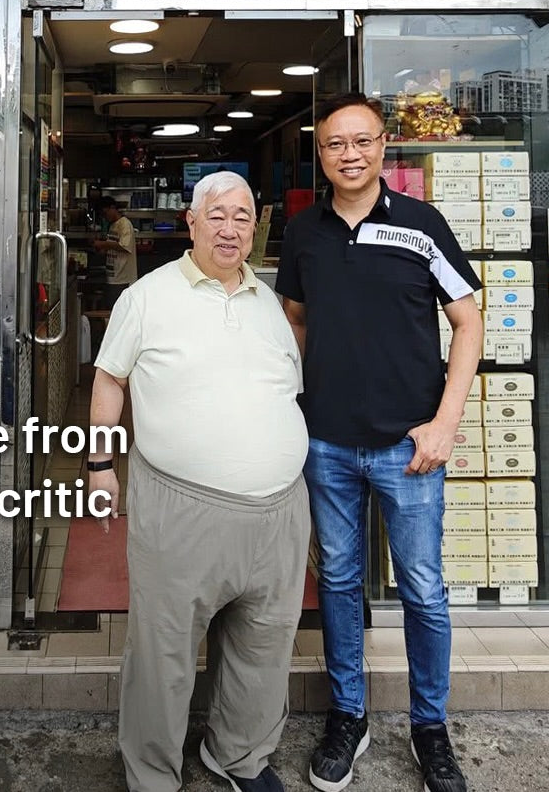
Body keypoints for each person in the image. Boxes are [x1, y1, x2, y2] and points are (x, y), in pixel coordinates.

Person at [277, 94, 483, 792]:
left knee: (422, 587)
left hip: (410, 446)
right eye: (335, 144)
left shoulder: (423, 225)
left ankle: (430, 727)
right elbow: (297, 320)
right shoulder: (303, 233)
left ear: (383, 146)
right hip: (328, 443)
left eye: (361, 141)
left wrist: (446, 421)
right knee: (338, 581)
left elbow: (469, 322)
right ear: (321, 154)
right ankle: (349, 715)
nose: (350, 154)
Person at [89, 170, 309, 792]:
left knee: (264, 646)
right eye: (217, 215)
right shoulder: (147, 297)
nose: (230, 229)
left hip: (279, 511)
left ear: (255, 227)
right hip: (181, 508)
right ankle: (152, 772)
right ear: (191, 222)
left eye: (242, 217)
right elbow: (109, 380)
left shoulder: (269, 302)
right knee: (163, 651)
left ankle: (239, 756)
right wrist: (100, 466)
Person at [92, 196, 138, 308]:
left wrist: (102, 244)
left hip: (123, 278)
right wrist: (100, 248)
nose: (105, 217)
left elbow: (124, 246)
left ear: (112, 208)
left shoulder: (125, 224)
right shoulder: (112, 225)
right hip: (113, 276)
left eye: (105, 213)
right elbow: (111, 247)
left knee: (120, 309)